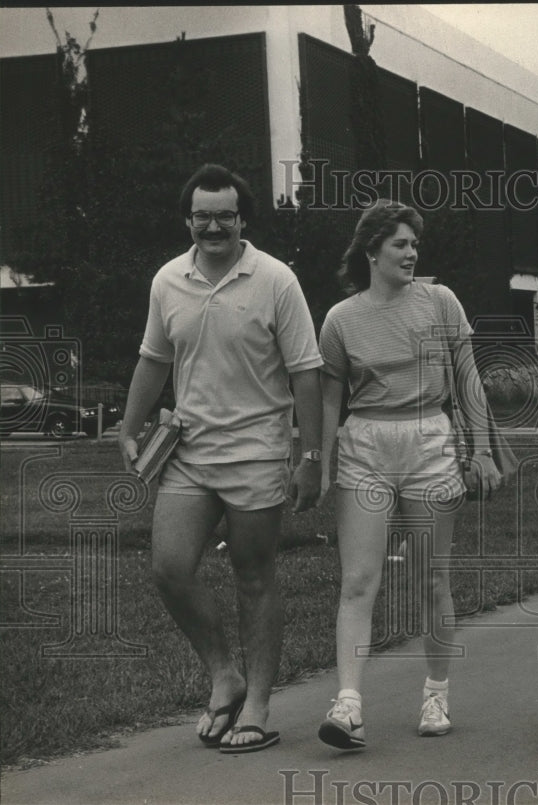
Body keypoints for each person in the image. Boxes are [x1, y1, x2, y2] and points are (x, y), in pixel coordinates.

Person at [117, 164, 324, 753]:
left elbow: (306, 371)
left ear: (242, 219)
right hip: (188, 449)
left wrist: (309, 454)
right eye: (202, 216)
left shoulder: (276, 280)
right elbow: (154, 359)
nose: (213, 226)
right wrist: (129, 429)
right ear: (188, 220)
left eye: (225, 216)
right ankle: (224, 674)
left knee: (254, 576)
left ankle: (257, 703)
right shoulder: (167, 280)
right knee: (169, 568)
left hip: (257, 451)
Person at [316, 199, 501, 750]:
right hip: (366, 445)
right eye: (400, 244)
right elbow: (330, 403)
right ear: (372, 251)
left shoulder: (441, 303)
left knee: (432, 579)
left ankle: (436, 693)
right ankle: (348, 706)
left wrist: (483, 451)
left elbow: (469, 381)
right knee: (358, 581)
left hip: (429, 443)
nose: (411, 252)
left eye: (415, 244)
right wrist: (320, 464)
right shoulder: (340, 319)